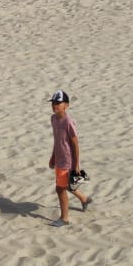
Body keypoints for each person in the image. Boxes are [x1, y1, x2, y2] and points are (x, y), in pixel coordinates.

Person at [48, 89, 90, 226]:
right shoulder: (53, 119)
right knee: (67, 185)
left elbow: (75, 144)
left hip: (67, 160)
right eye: (53, 102)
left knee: (60, 188)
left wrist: (76, 164)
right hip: (59, 158)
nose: (55, 105)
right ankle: (84, 199)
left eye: (58, 103)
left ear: (66, 105)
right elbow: (57, 140)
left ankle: (64, 218)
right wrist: (53, 156)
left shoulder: (68, 122)